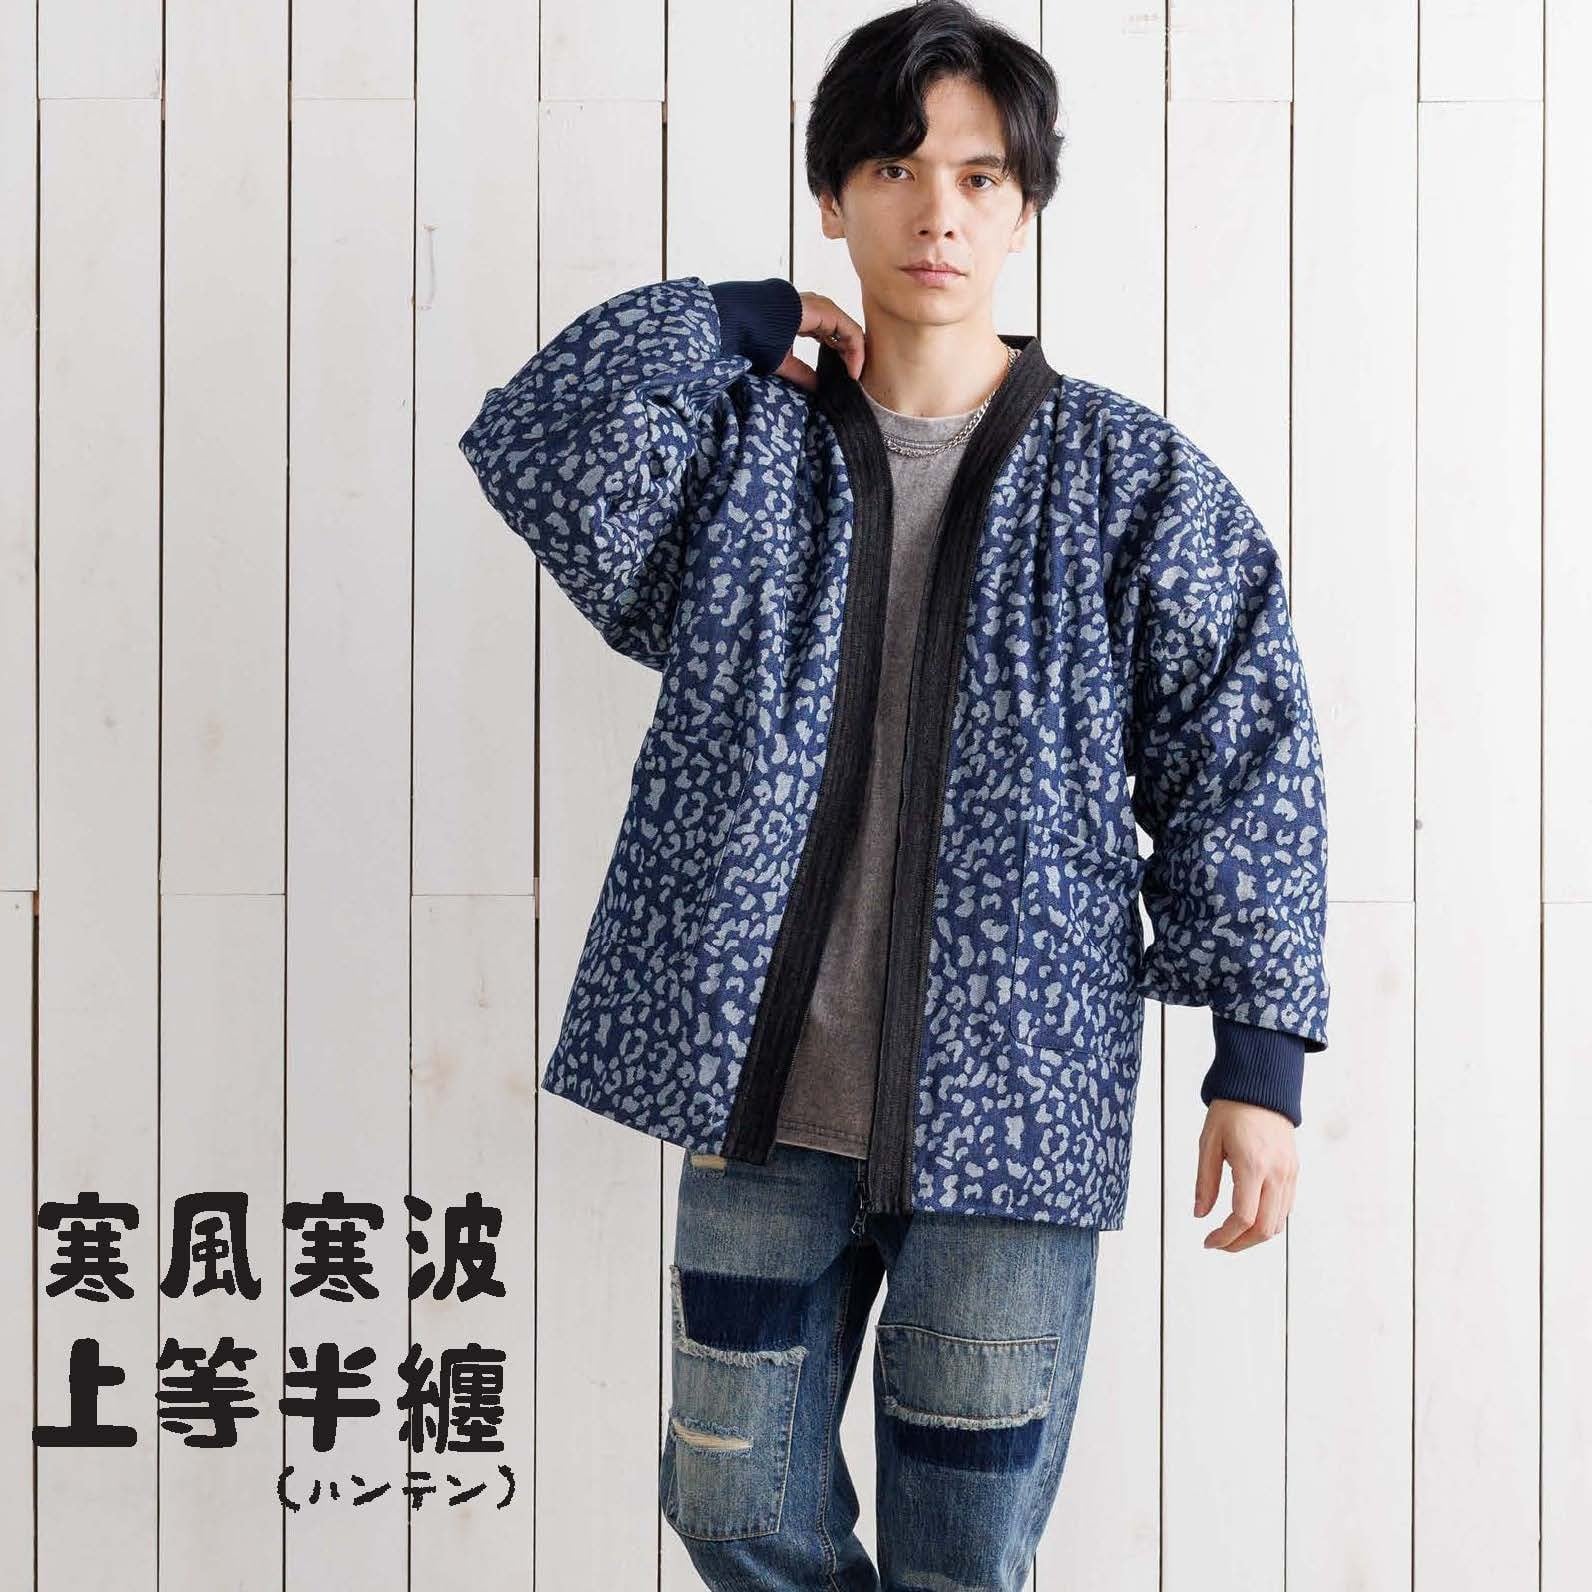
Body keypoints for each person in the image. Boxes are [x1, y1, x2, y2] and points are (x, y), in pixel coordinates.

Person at [458, 4, 1330, 1584]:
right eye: (894, 167)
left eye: (982, 177)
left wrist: (1256, 1067)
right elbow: (543, 436)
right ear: (833, 196)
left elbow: (1246, 755)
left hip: (1014, 1110)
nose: (939, 210)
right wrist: (740, 319)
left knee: (961, 1550)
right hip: (766, 1099)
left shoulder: (1130, 485)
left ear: (1026, 206)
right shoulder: (747, 459)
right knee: (730, 1505)